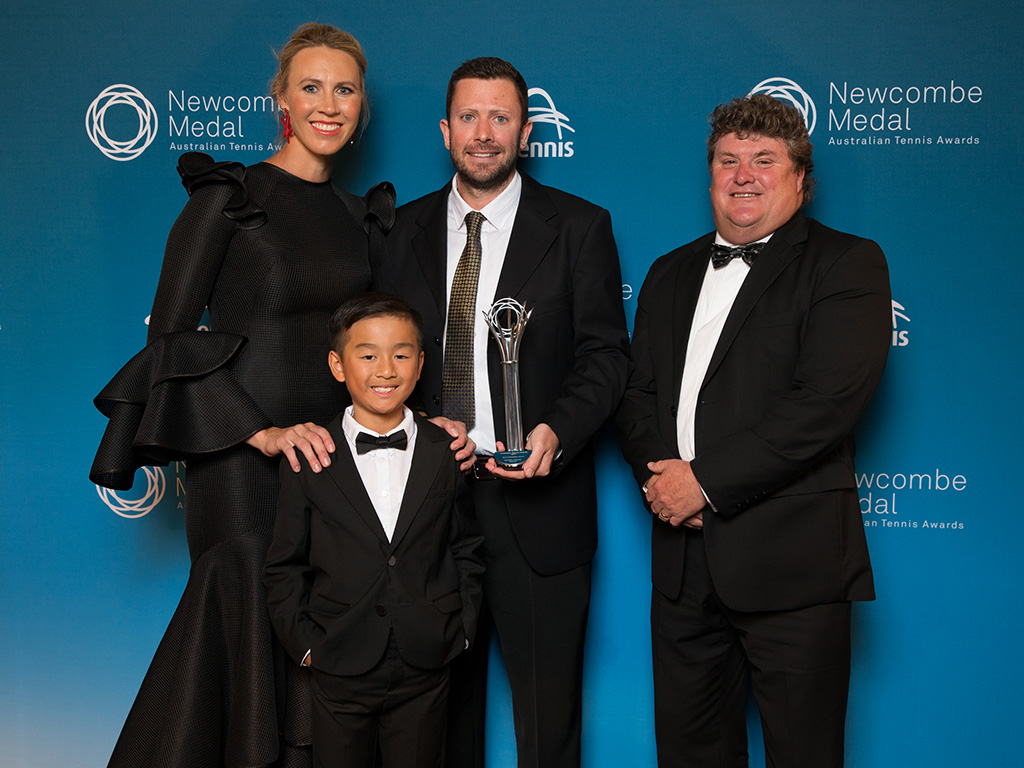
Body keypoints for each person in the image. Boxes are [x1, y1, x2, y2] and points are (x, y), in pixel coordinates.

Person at [89, 23, 470, 768]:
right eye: (311, 87)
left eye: (345, 89)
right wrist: (258, 432)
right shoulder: (229, 199)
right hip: (240, 458)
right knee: (243, 617)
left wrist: (423, 423)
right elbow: (169, 336)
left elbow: (373, 348)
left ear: (361, 107)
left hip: (325, 459)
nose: (329, 104)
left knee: (316, 634)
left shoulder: (362, 218)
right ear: (282, 101)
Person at [616, 93, 891, 768]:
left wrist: (703, 483)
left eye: (764, 160)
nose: (743, 175)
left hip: (791, 567)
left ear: (800, 177)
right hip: (683, 569)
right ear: (710, 174)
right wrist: (666, 483)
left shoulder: (847, 263)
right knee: (690, 754)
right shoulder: (669, 271)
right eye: (727, 160)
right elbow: (636, 395)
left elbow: (823, 405)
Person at [380, 57, 630, 768]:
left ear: (525, 132)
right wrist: (417, 423)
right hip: (428, 508)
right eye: (469, 117)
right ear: (445, 130)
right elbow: (378, 357)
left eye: (500, 118)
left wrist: (559, 431)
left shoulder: (580, 227)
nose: (483, 133)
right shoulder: (399, 231)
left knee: (547, 724)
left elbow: (607, 357)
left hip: (540, 505)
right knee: (436, 722)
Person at [264, 292, 484, 768]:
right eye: (367, 356)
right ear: (337, 365)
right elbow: (284, 565)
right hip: (339, 658)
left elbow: (465, 547)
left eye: (401, 355)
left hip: (427, 658)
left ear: (420, 364)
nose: (386, 370)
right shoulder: (309, 455)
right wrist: (307, 647)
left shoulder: (446, 450)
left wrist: (462, 630)